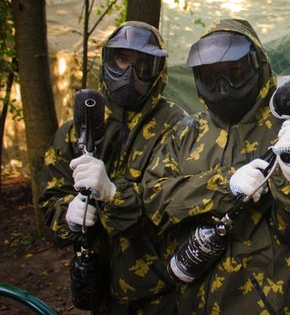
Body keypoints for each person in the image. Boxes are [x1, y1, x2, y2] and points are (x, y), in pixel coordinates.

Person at [142, 19, 290, 314]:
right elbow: (154, 200)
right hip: (194, 303)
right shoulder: (186, 134)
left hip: (275, 306)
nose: (223, 85)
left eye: (234, 71)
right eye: (211, 75)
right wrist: (223, 185)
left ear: (258, 67)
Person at [40, 21, 187, 314]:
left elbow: (179, 205)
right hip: (100, 287)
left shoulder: (178, 127)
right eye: (122, 60)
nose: (130, 73)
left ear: (157, 69)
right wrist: (68, 216)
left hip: (160, 290)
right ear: (108, 61)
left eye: (142, 63)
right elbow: (49, 202)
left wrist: (113, 194)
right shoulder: (77, 128)